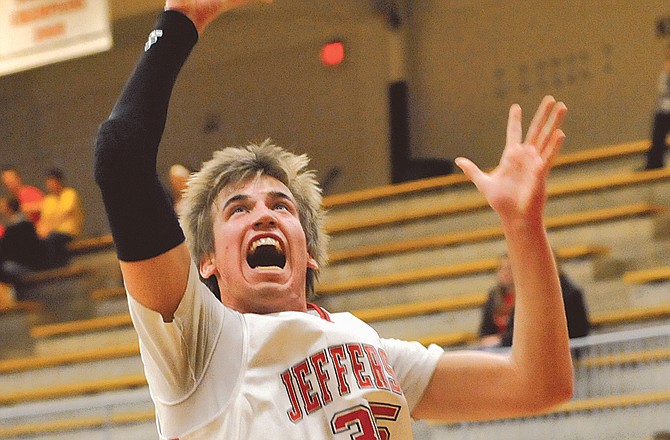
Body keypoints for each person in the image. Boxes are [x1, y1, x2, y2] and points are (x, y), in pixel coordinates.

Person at [93, 1, 573, 438]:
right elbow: (120, 158)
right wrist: (182, 19)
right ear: (207, 263)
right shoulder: (199, 344)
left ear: (311, 254)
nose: (263, 215)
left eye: (281, 205)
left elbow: (538, 383)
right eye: (239, 209)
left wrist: (523, 226)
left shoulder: (367, 347)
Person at [479, 254, 591, 348]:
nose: (505, 273)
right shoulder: (494, 297)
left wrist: (501, 340)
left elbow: (531, 328)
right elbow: (484, 330)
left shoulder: (568, 292)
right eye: (501, 268)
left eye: (509, 268)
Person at [37, 168, 84, 268]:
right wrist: (40, 230)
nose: (50, 185)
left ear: (59, 181)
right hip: (51, 233)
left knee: (53, 239)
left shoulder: (70, 193)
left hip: (68, 232)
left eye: (52, 182)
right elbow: (44, 219)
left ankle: (57, 266)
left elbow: (65, 213)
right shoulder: (48, 199)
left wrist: (49, 228)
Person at [0, 197, 48, 285]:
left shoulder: (18, 227)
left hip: (27, 266)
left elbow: (12, 250)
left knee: (6, 268)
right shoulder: (25, 224)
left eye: (2, 207)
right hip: (23, 263)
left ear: (9, 209)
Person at [641, 43, 670, 170]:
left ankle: (655, 162)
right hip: (664, 108)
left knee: (659, 132)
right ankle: (655, 161)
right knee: (658, 135)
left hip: (667, 109)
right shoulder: (666, 67)